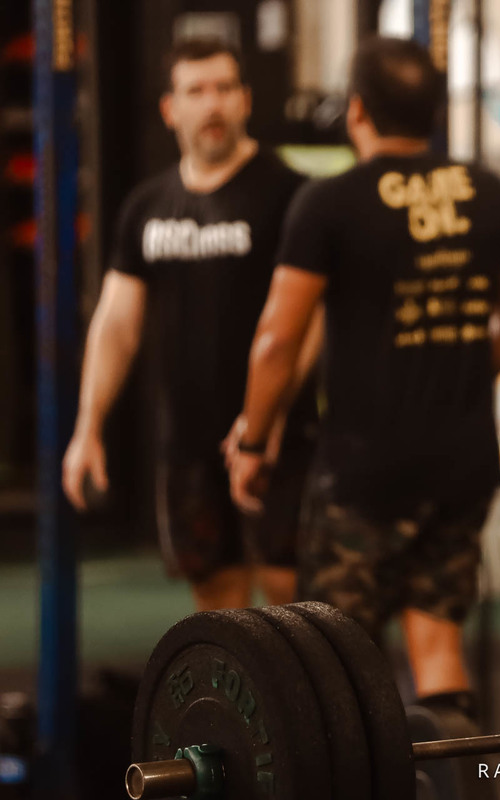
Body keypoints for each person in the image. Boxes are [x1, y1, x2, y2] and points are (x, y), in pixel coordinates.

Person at [227, 37, 500, 729]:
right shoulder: (490, 194)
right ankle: (452, 774)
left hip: (362, 472)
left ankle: (361, 772)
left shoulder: (330, 202)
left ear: (357, 111)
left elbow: (277, 337)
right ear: (433, 112)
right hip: (460, 465)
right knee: (437, 638)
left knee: (338, 657)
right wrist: (463, 374)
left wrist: (252, 439)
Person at [61, 38, 317, 611]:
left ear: (246, 99)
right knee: (220, 613)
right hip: (188, 445)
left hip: (279, 440)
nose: (212, 104)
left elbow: (312, 320)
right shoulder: (147, 207)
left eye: (224, 88)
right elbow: (117, 323)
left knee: (293, 605)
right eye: (195, 91)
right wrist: (88, 425)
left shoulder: (291, 195)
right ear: (170, 109)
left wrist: (266, 417)